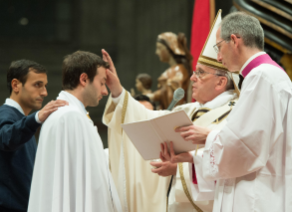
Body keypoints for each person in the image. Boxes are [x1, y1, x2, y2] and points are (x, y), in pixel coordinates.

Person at [102, 20, 240, 211]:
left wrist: (179, 169)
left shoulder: (235, 115)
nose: (192, 79)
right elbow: (147, 119)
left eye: (200, 73)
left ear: (220, 82)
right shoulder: (191, 110)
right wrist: (117, 90)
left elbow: (231, 164)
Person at [168, 11, 292, 212]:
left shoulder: (261, 77)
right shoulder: (270, 76)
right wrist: (195, 157)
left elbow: (246, 146)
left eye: (219, 47)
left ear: (234, 41)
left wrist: (208, 136)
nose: (218, 56)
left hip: (256, 198)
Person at [27, 50, 122, 212]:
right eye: (102, 82)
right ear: (84, 79)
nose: (105, 91)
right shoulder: (71, 117)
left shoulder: (65, 113)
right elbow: (88, 183)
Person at [0, 59, 68, 212]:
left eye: (45, 86)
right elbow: (6, 138)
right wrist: (37, 118)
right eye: (37, 84)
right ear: (16, 85)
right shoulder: (2, 115)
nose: (45, 92)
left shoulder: (21, 122)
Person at [149, 32, 193, 109]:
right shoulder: (172, 70)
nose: (156, 52)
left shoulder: (180, 70)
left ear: (169, 48)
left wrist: (153, 96)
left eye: (159, 48)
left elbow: (174, 92)